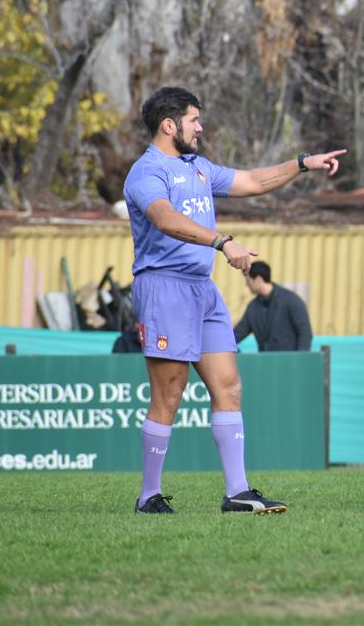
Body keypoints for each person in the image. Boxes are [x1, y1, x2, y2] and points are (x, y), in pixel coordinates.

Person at [123, 86, 345, 515]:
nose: (200, 127)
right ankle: (149, 495)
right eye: (193, 120)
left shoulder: (199, 167)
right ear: (169, 125)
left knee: (229, 386)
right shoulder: (146, 172)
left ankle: (237, 492)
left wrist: (302, 165)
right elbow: (165, 218)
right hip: (164, 287)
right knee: (169, 393)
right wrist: (222, 241)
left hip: (202, 289)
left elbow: (252, 180)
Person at [233, 262, 313, 352]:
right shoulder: (253, 308)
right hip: (266, 363)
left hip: (289, 363)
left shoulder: (291, 300)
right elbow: (238, 334)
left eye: (248, 281)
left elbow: (305, 333)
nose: (246, 285)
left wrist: (300, 361)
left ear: (258, 279)